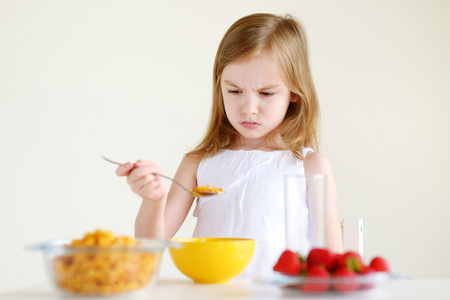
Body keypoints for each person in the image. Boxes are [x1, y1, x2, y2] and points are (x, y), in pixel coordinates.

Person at [116, 13, 343, 278]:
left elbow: (332, 263)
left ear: (294, 92)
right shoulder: (198, 162)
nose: (248, 109)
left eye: (266, 93)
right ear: (219, 87)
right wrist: (154, 199)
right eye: (234, 91)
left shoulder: (310, 166)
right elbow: (148, 248)